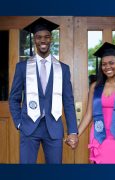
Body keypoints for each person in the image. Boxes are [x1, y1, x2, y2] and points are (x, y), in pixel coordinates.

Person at [9, 17, 78, 164]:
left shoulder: (63, 69)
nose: (43, 41)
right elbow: (14, 98)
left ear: (51, 39)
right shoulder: (22, 67)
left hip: (53, 128)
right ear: (34, 39)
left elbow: (68, 102)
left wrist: (72, 131)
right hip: (29, 127)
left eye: (46, 37)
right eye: (39, 37)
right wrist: (19, 123)